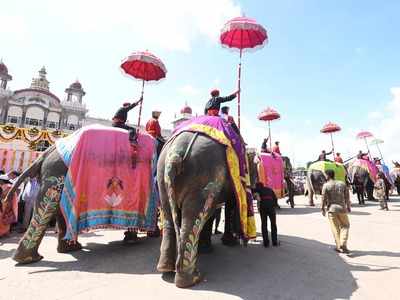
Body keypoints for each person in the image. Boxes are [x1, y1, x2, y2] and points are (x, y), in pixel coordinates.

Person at [321, 169, 351, 253]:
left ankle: (339, 246)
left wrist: (322, 208)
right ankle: (343, 243)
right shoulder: (342, 183)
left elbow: (323, 198)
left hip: (332, 209)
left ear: (327, 175)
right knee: (345, 226)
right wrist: (348, 206)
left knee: (335, 228)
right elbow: (347, 197)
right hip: (342, 208)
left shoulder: (326, 185)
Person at [252, 182, 279, 247]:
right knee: (273, 224)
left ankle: (266, 243)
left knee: (264, 224)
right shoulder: (269, 189)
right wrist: (274, 205)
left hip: (263, 207)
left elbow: (251, 190)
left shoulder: (258, 189)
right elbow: (275, 198)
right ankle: (274, 242)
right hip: (271, 207)